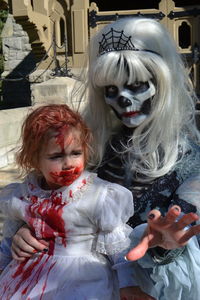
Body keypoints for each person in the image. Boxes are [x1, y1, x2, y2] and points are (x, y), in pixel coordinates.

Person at [9, 17, 200, 300]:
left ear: (162, 84)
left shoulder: (189, 157)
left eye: (136, 86)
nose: (122, 100)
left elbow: (178, 224)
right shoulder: (90, 143)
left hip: (150, 284)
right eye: (111, 90)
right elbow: (52, 197)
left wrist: (164, 242)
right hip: (81, 279)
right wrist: (27, 230)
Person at [0, 104, 134, 299]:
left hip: (83, 281)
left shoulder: (97, 196)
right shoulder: (24, 195)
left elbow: (119, 246)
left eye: (76, 153)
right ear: (34, 160)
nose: (68, 163)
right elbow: (8, 243)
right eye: (56, 156)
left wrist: (128, 284)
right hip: (29, 278)